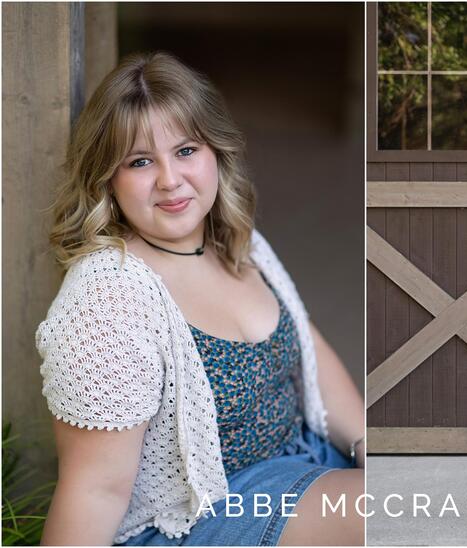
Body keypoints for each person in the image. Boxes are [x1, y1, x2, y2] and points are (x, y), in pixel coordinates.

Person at [36, 52, 364, 546]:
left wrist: (367, 443)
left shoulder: (235, 240)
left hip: (302, 463)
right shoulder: (107, 300)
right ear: (107, 178)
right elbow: (94, 490)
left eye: (186, 150)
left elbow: (308, 352)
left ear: (216, 152)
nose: (170, 180)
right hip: (202, 518)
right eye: (140, 161)